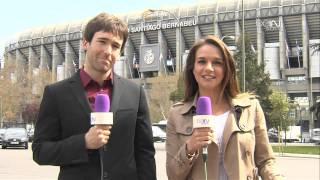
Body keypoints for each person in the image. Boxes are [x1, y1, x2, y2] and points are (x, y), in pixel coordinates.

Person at [32, 13, 156, 180]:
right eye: (102, 41)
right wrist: (83, 143)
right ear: (85, 43)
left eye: (115, 46)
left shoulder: (135, 93)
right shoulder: (56, 94)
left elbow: (145, 153)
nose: (108, 51)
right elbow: (40, 151)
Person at [166, 35, 283, 180]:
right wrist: (190, 147)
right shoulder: (177, 114)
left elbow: (266, 160)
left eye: (217, 63)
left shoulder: (250, 108)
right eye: (202, 61)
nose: (209, 68)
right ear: (193, 68)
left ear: (227, 69)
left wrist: (275, 177)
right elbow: (172, 175)